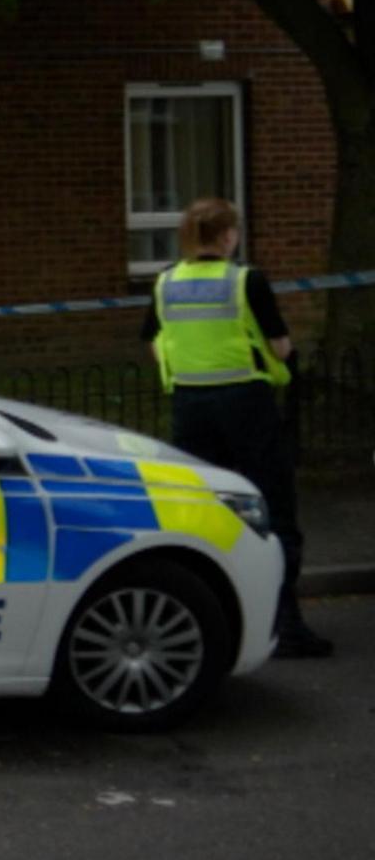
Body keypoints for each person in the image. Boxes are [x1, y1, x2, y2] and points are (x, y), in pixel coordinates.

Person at [144, 198, 333, 658]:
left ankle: (209, 621)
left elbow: (154, 342)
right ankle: (284, 625)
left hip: (190, 407)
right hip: (247, 405)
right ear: (228, 235)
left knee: (206, 514)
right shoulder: (246, 280)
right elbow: (281, 346)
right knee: (274, 513)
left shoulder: (165, 282)